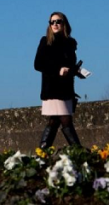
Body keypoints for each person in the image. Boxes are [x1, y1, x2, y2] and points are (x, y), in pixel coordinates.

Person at [34, 12, 84, 147]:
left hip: (67, 89)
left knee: (54, 121)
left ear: (64, 24)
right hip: (53, 88)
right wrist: (58, 70)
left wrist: (76, 71)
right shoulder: (46, 41)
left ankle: (42, 153)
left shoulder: (70, 43)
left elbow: (69, 65)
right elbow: (38, 64)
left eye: (58, 21)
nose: (55, 24)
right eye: (52, 22)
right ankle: (78, 151)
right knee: (66, 120)